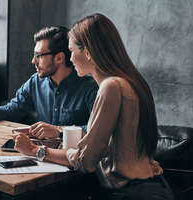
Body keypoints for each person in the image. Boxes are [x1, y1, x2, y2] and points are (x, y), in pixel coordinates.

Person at [13, 13, 174, 200]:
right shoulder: (131, 81)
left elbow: (85, 161)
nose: (70, 59)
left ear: (88, 52)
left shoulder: (111, 86)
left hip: (129, 193)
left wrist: (34, 150)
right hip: (151, 187)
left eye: (72, 51)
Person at [0, 26, 98, 139]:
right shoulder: (35, 82)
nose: (33, 61)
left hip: (75, 162)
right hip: (42, 155)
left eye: (39, 56)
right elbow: (11, 112)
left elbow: (97, 131)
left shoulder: (90, 87)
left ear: (59, 58)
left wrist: (59, 130)